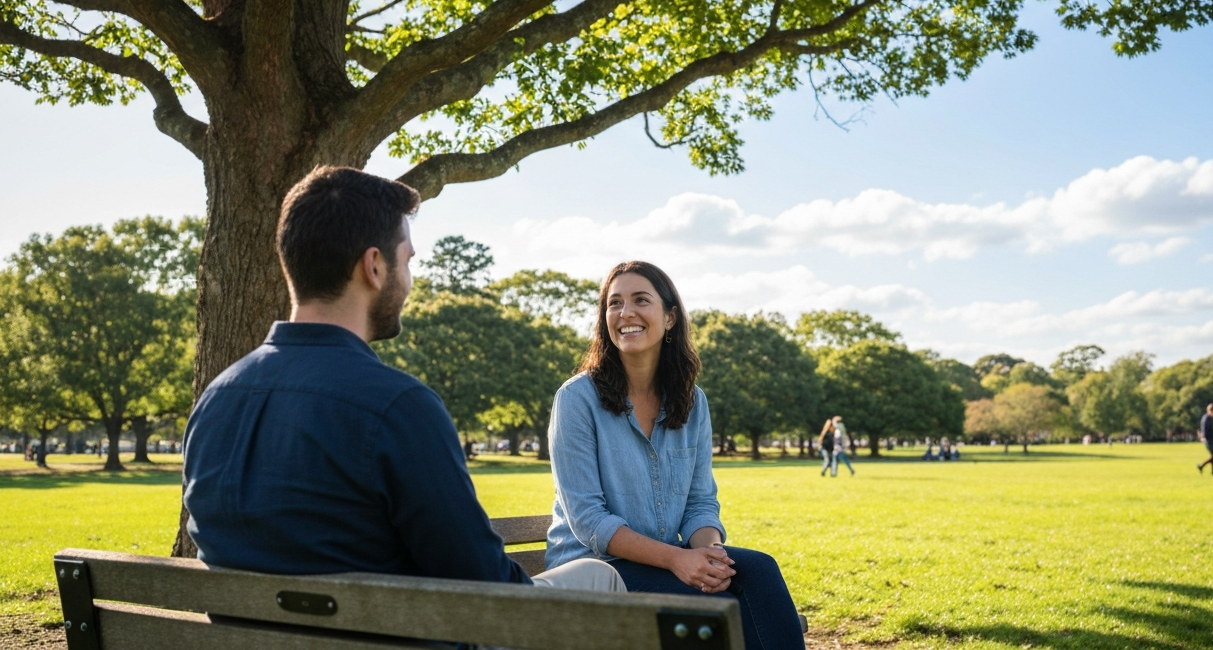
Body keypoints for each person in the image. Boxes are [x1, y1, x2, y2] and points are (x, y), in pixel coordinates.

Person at [182, 166, 621, 593]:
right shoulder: (398, 406)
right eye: (407, 260)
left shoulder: (215, 399)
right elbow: (484, 586)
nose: (409, 280)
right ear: (374, 266)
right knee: (598, 576)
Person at [546, 261, 806, 650]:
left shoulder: (691, 400)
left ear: (669, 317)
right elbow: (588, 520)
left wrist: (710, 553)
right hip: (596, 569)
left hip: (663, 558)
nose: (626, 312)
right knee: (715, 606)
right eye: (614, 303)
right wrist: (676, 560)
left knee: (759, 571)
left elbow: (700, 502)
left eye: (640, 300)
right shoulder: (577, 399)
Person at [1196, 403, 1213, 475]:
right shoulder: (1206, 418)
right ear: (1210, 410)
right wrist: (1204, 437)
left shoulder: (1210, 418)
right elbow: (1205, 430)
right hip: (1209, 440)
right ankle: (1202, 466)